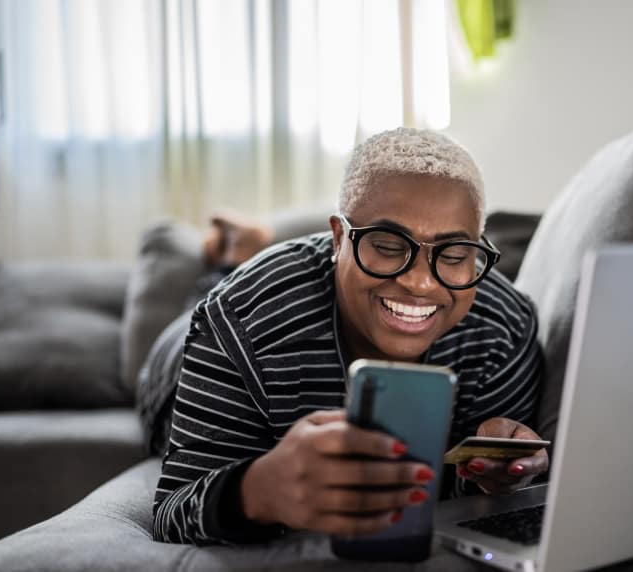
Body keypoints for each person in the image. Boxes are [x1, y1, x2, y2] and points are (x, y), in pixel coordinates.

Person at [152, 127, 547, 545]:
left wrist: (495, 477)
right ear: (339, 239)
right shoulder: (235, 319)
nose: (420, 284)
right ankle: (231, 257)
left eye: (452, 254)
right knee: (205, 297)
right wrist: (255, 490)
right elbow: (173, 510)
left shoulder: (504, 328)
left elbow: (480, 498)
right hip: (172, 361)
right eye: (389, 245)